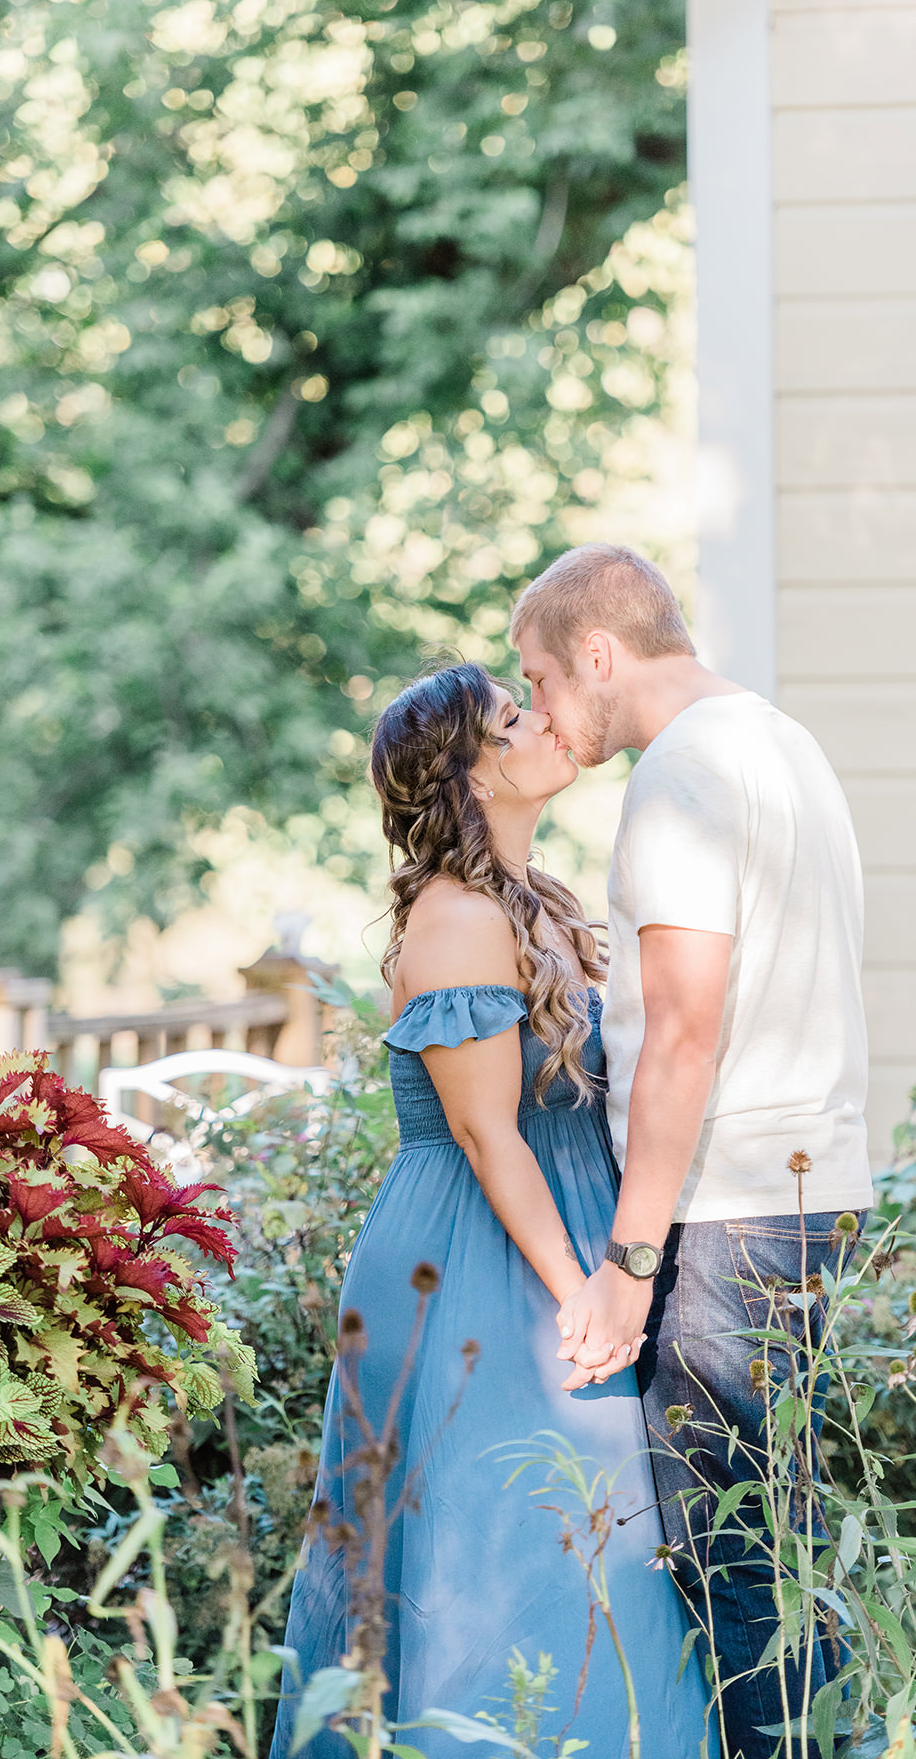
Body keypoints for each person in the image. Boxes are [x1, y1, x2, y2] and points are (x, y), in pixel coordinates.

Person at [270, 663, 716, 1759]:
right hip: (479, 1255)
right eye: (509, 722)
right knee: (507, 1541)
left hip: (549, 1227)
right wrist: (584, 1294)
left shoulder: (535, 900)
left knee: (583, 1533)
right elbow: (486, 1134)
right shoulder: (459, 918)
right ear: (466, 778)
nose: (540, 723)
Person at [510, 545, 874, 1759]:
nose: (543, 714)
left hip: (724, 1217)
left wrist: (627, 1256)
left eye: (541, 680)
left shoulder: (677, 778)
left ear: (598, 656)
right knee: (779, 1554)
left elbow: (682, 1033)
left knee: (730, 1573)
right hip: (811, 1194)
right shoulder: (782, 743)